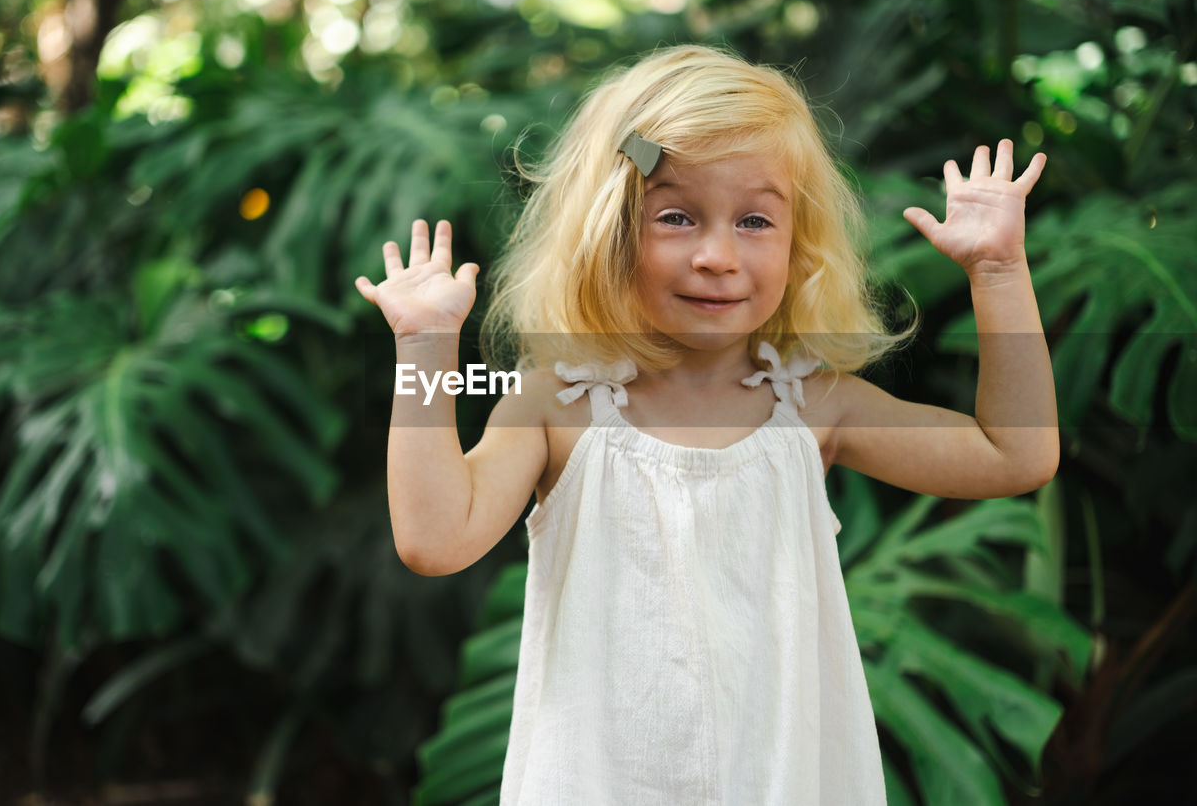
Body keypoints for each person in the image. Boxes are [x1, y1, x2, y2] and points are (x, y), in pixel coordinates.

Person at [354, 45, 1057, 804]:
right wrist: (424, 350)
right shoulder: (557, 404)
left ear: (799, 241)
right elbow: (433, 540)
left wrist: (999, 274)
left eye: (755, 219)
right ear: (610, 231)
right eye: (677, 217)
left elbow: (1012, 454)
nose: (718, 256)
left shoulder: (813, 405)